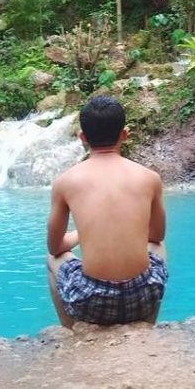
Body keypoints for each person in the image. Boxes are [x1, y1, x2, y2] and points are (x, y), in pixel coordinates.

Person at [46, 95, 168, 327]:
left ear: (82, 138)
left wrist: (82, 234)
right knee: (159, 248)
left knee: (53, 259)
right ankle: (148, 324)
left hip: (90, 304)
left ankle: (70, 330)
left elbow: (54, 247)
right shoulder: (150, 178)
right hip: (140, 299)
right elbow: (156, 236)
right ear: (124, 134)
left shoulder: (65, 182)